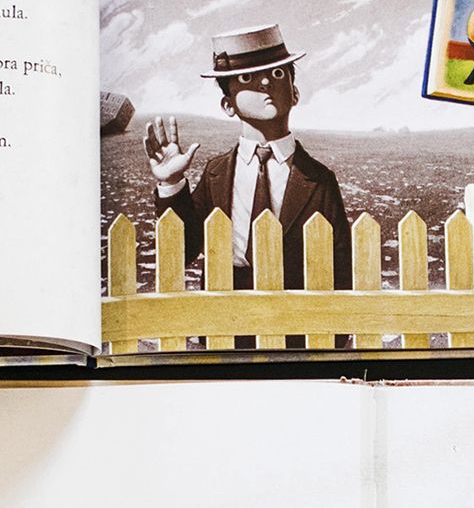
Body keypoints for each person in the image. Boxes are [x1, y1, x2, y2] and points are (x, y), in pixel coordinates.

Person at [143, 24, 351, 347]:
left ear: (295, 93)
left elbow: (342, 270)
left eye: (278, 74)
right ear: (228, 105)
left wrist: (330, 344)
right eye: (246, 78)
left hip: (297, 337)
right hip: (226, 333)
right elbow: (184, 249)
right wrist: (171, 183)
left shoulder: (320, 180)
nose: (265, 83)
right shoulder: (215, 174)